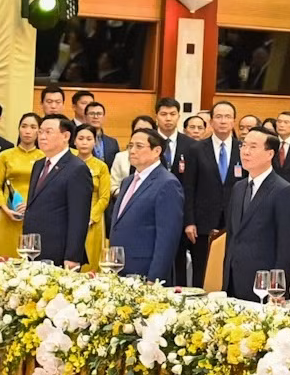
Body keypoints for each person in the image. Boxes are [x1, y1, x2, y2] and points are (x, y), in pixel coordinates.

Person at [220, 130, 290, 302]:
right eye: (243, 145)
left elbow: (286, 245)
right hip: (233, 280)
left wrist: (278, 288)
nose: (245, 151)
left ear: (270, 153)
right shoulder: (239, 187)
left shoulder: (283, 190)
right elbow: (233, 236)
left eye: (253, 147)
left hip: (262, 285)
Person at [108, 127, 185, 283]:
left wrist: (155, 277)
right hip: (120, 267)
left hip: (145, 270)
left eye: (139, 146)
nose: (132, 151)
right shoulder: (127, 181)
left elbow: (167, 237)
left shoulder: (167, 183)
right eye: (130, 146)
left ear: (156, 151)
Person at [22, 115, 93, 268]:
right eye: (40, 132)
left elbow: (79, 217)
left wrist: (72, 256)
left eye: (48, 132)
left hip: (59, 252)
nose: (42, 136)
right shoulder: (39, 164)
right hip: (33, 249)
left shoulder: (77, 168)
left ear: (66, 136)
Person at [185, 102, 244, 281]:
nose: (223, 121)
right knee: (201, 272)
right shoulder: (195, 149)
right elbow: (188, 187)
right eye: (218, 117)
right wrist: (189, 222)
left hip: (235, 221)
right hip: (203, 222)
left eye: (227, 117)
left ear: (234, 121)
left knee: (230, 271)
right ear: (211, 121)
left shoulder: (244, 149)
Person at [0, 113, 45, 258]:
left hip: (33, 213)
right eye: (24, 126)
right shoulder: (5, 155)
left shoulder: (44, 157)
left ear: (39, 132)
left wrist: (30, 206)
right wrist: (3, 208)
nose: (28, 131)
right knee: (4, 258)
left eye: (33, 127)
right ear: (19, 129)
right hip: (7, 213)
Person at [73, 124, 113, 270]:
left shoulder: (101, 166)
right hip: (70, 214)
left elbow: (104, 197)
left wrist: (91, 217)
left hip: (93, 218)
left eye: (89, 139)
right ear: (74, 141)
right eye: (81, 138)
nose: (84, 142)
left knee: (91, 261)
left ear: (95, 142)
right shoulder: (68, 164)